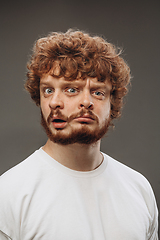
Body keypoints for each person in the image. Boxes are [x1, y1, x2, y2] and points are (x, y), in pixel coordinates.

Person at [0, 29, 158, 240]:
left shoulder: (139, 189)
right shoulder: (9, 193)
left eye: (97, 92)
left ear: (112, 102)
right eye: (49, 90)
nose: (86, 102)